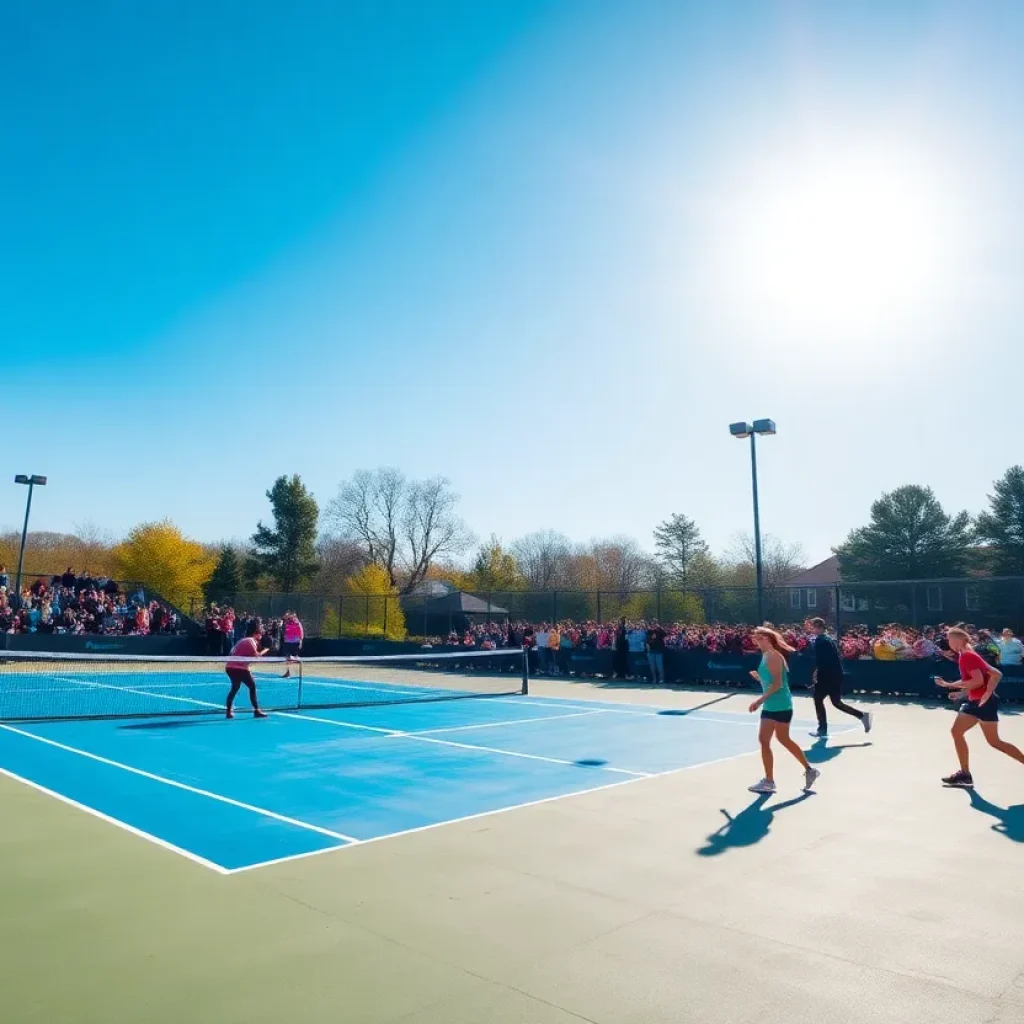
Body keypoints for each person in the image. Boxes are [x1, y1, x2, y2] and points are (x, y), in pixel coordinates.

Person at [935, 626, 1024, 787]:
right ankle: (965, 774)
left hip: (982, 703)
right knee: (962, 733)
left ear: (958, 640)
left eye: (949, 639)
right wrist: (962, 693)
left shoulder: (967, 656)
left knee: (992, 741)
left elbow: (978, 681)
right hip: (976, 701)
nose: (948, 642)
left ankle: (965, 773)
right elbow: (985, 678)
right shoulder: (967, 655)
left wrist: (951, 685)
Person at [746, 626, 819, 795]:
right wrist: (759, 678)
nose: (756, 639)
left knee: (764, 740)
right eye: (756, 637)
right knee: (783, 739)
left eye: (760, 637)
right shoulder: (766, 655)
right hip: (779, 704)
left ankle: (769, 782)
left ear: (769, 639)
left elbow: (778, 684)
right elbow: (771, 682)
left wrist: (759, 700)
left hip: (777, 704)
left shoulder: (773, 656)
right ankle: (809, 770)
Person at [806, 618, 872, 737]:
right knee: (836, 702)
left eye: (813, 627)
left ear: (819, 627)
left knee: (818, 698)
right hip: (835, 675)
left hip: (828, 676)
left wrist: (817, 676)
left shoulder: (820, 641)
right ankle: (862, 716)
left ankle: (822, 729)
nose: (812, 629)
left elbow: (822, 661)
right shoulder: (828, 639)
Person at [225, 623, 269, 719]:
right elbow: (256, 656)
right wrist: (265, 651)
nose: (260, 637)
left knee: (235, 688)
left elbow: (245, 657)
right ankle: (257, 710)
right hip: (237, 668)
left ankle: (228, 712)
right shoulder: (250, 641)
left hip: (230, 667)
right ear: (255, 634)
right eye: (260, 634)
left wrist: (248, 670)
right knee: (252, 686)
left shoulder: (243, 641)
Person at [280, 611, 304, 679]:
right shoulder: (286, 623)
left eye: (292, 616)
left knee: (295, 658)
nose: (290, 617)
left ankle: (299, 672)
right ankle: (288, 673)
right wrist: (285, 638)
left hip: (295, 642)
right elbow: (285, 631)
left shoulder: (297, 623)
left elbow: (301, 632)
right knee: (288, 658)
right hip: (288, 642)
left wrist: (300, 641)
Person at [646, 620, 667, 684]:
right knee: (652, 666)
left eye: (655, 624)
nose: (653, 625)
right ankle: (654, 679)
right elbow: (647, 641)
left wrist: (659, 628)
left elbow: (665, 634)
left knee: (659, 666)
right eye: (652, 624)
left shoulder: (660, 631)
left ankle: (661, 679)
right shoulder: (649, 631)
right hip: (651, 651)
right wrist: (651, 638)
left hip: (659, 651)